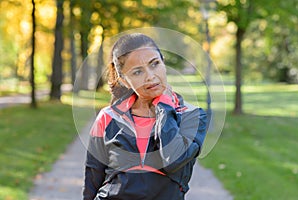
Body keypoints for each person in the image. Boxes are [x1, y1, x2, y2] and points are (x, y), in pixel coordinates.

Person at [83, 33, 207, 200]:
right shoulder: (108, 117)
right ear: (125, 81)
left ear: (163, 63)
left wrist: (164, 105)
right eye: (137, 72)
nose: (150, 76)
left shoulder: (192, 116)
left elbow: (173, 160)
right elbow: (93, 179)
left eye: (155, 64)